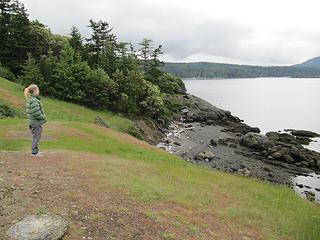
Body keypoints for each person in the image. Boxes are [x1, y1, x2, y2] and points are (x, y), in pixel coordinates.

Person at [24, 84, 46, 157]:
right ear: (35, 91)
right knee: (36, 137)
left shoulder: (31, 99)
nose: (39, 91)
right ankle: (34, 153)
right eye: (38, 89)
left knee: (36, 137)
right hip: (36, 123)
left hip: (33, 122)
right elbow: (36, 113)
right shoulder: (34, 100)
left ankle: (35, 151)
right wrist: (43, 117)